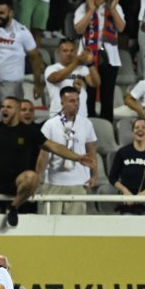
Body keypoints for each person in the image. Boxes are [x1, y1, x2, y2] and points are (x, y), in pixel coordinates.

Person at [0, 96, 95, 227]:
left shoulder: (30, 131)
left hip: (20, 188)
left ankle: (13, 207)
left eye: (9, 107)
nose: (4, 110)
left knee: (32, 177)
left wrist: (77, 157)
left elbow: (53, 146)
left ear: (17, 110)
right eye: (3, 107)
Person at [36, 86, 98, 215]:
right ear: (62, 103)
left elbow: (91, 149)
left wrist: (94, 174)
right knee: (50, 224)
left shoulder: (86, 123)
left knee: (75, 226)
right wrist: (38, 178)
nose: (76, 104)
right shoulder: (50, 124)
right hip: (54, 181)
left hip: (78, 181)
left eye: (77, 100)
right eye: (71, 101)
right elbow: (44, 154)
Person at [73, 0, 125, 122]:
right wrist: (90, 10)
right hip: (87, 56)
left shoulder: (115, 7)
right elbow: (79, 29)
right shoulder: (82, 8)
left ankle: (106, 129)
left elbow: (121, 28)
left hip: (109, 56)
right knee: (88, 97)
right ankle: (88, 128)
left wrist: (112, 9)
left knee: (107, 98)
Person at [108, 118, 145, 215]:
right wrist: (125, 191)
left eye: (143, 127)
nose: (140, 130)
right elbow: (112, 177)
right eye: (137, 127)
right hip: (127, 201)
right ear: (133, 132)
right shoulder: (123, 152)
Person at [44, 38, 100, 119]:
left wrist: (90, 63)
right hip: (58, 117)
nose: (69, 53)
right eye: (65, 51)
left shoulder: (83, 69)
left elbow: (96, 83)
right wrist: (77, 62)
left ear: (76, 52)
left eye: (71, 50)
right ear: (58, 52)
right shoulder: (51, 68)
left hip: (81, 116)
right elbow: (57, 77)